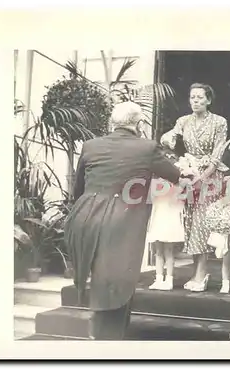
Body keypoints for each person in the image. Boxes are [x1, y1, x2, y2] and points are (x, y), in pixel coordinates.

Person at [64, 101, 182, 340]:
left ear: (112, 123)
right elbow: (174, 175)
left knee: (101, 277)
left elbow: (78, 189)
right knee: (118, 280)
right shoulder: (146, 148)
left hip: (85, 216)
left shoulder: (90, 146)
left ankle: (100, 333)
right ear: (139, 124)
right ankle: (107, 341)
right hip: (122, 221)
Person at [161, 83, 229, 292]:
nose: (195, 101)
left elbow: (218, 154)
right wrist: (169, 139)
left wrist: (203, 176)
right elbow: (168, 140)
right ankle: (197, 272)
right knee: (190, 223)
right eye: (192, 98)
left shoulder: (219, 122)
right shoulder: (183, 121)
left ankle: (201, 273)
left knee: (202, 222)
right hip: (189, 174)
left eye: (200, 97)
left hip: (210, 176)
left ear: (208, 100)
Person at [146, 143, 187, 291]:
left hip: (169, 219)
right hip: (158, 218)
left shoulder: (177, 185)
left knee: (168, 251)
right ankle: (158, 278)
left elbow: (179, 201)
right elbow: (152, 199)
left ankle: (168, 279)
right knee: (158, 251)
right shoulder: (155, 183)